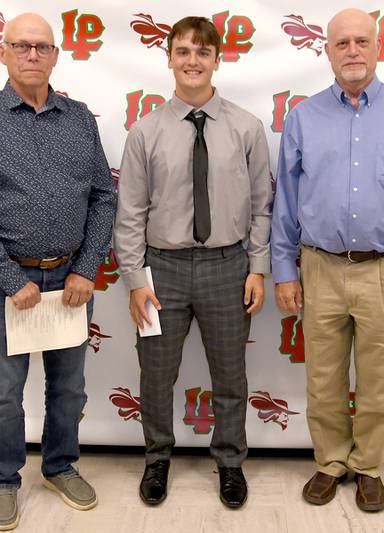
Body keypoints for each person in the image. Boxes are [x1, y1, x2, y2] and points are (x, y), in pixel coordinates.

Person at [271, 8, 384, 512]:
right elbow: (286, 202)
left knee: (379, 381)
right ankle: (330, 463)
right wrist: (285, 270)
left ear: (378, 48)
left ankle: (368, 466)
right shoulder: (303, 117)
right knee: (322, 378)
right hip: (319, 266)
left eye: (361, 42)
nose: (352, 51)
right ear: (326, 51)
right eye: (341, 43)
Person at [0, 13, 116, 531]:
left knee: (70, 389)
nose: (32, 55)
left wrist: (86, 269)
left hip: (70, 282)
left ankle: (60, 467)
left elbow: (103, 198)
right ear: (3, 52)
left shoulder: (80, 118)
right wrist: (8, 276)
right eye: (21, 45)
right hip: (7, 287)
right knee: (4, 391)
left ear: (55, 55)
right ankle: (3, 480)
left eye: (42, 47)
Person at [113, 16, 273, 509]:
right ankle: (157, 456)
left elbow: (262, 205)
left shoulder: (247, 127)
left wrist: (257, 267)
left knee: (230, 374)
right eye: (182, 51)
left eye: (202, 52)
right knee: (156, 374)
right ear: (169, 58)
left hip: (228, 268)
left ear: (217, 59)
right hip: (163, 271)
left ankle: (229, 462)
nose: (192, 61)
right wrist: (136, 280)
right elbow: (131, 211)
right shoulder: (146, 132)